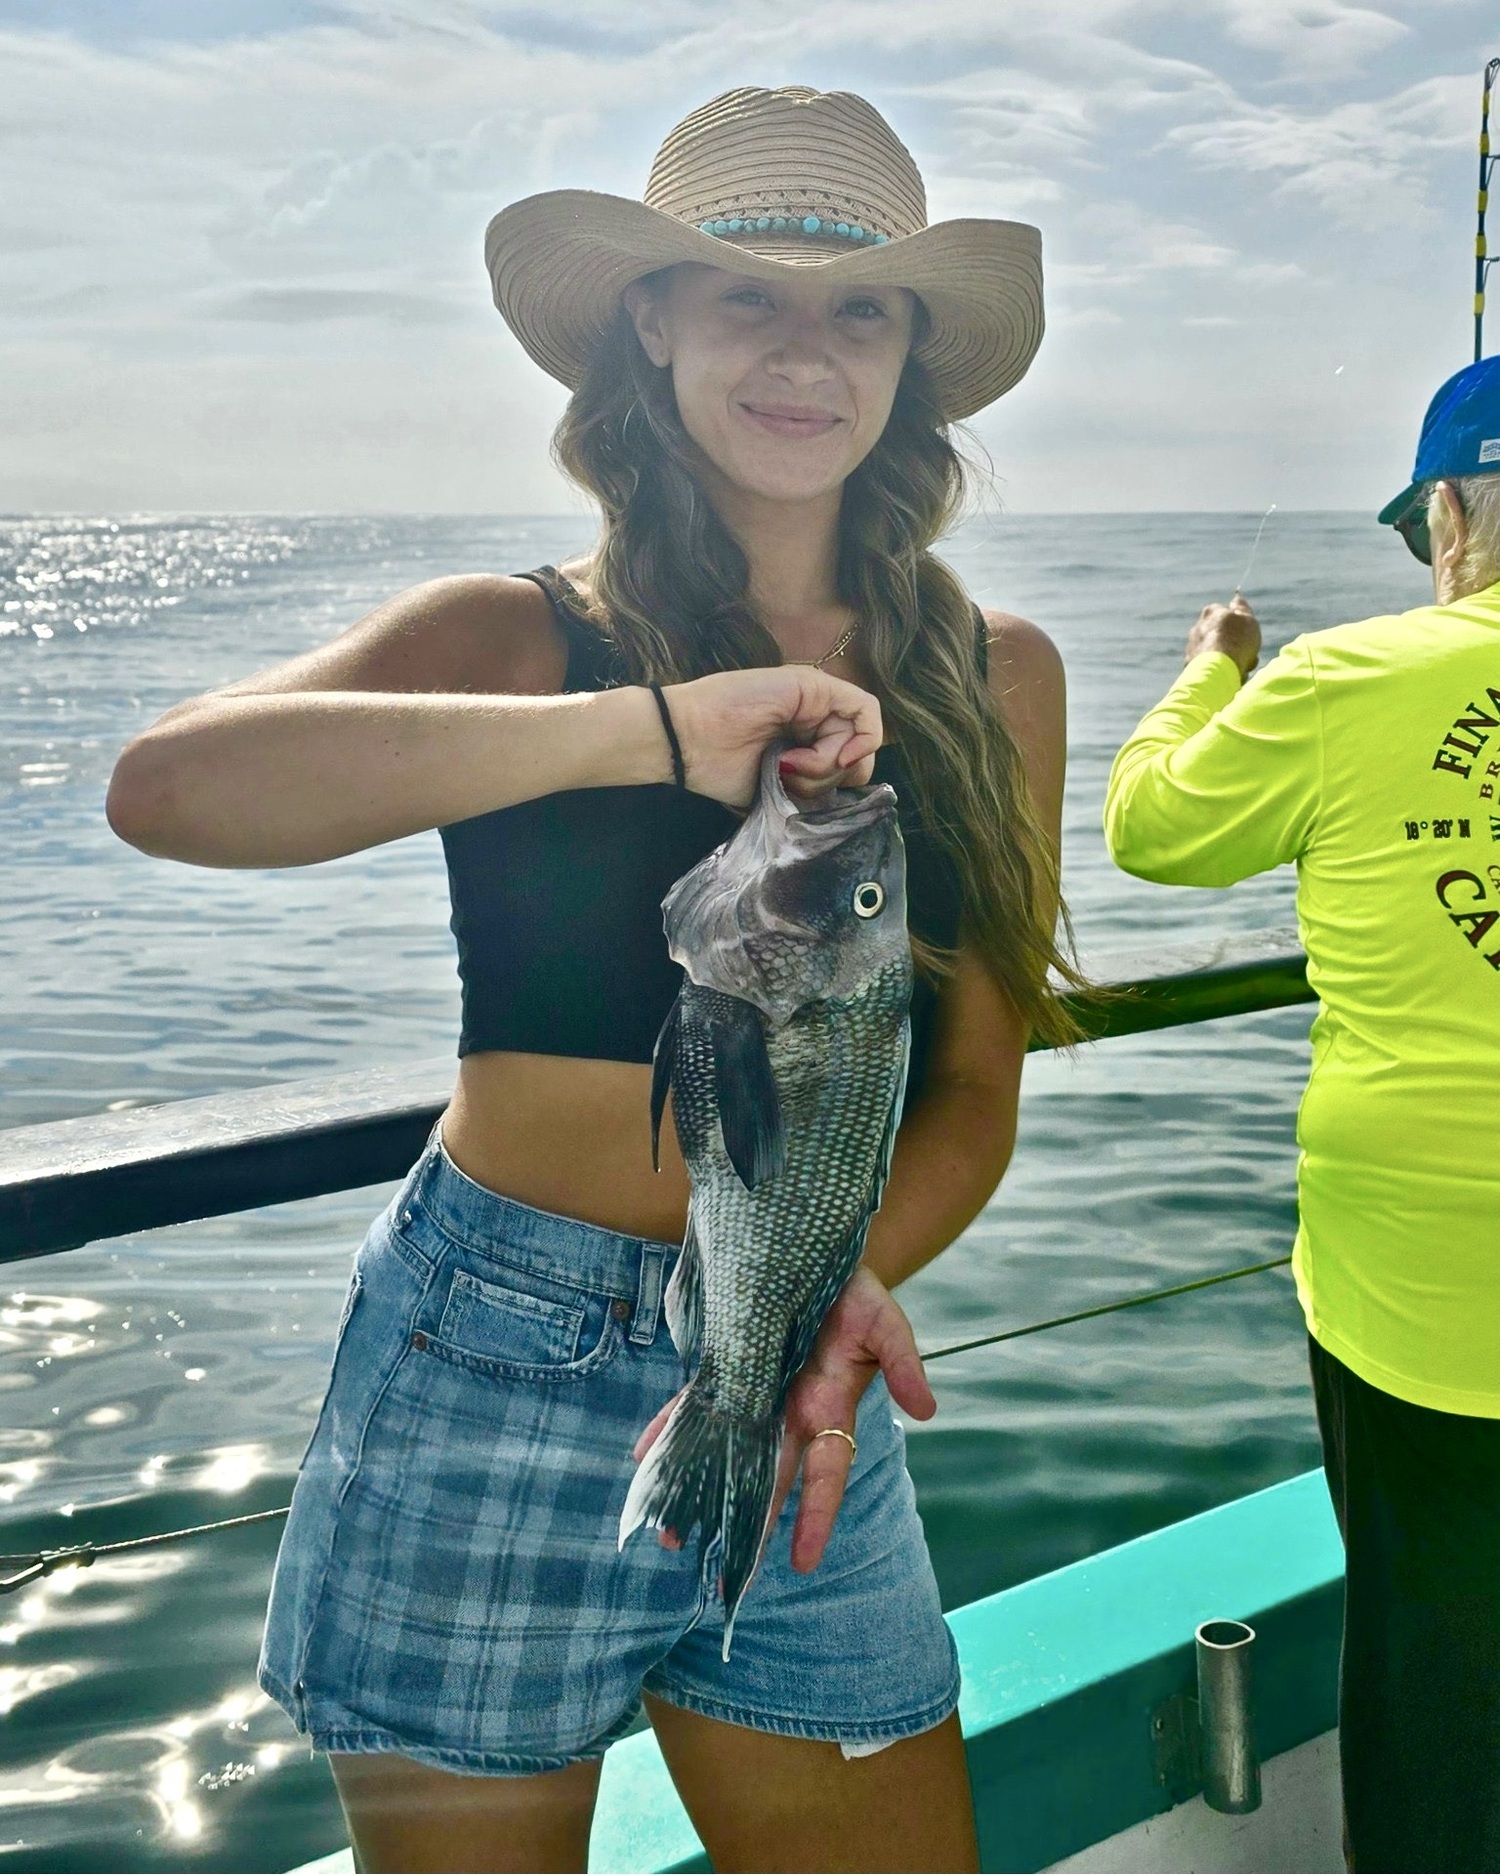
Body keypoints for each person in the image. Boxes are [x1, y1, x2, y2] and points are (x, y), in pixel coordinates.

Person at [106, 86, 1075, 1874]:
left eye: (859, 309)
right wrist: (636, 733)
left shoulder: (993, 667)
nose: (806, 354)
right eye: (744, 299)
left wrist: (844, 1297)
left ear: (913, 354)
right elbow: (168, 790)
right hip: (487, 1351)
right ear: (649, 322)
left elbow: (976, 1083)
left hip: (796, 1361)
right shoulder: (519, 636)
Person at [1105, 354, 1500, 1873]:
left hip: (1416, 1296)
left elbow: (1153, 829)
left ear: (1451, 511)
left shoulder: (1343, 682)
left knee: (1435, 1674)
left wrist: (1218, 665)